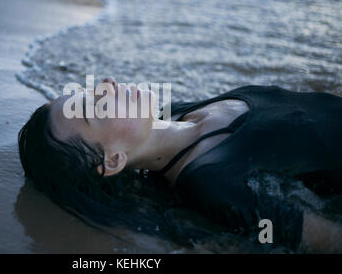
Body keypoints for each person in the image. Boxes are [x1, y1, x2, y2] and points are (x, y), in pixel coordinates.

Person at [18, 76, 342, 252]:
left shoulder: (179, 110)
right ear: (114, 160)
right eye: (96, 108)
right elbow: (327, 238)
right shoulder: (211, 181)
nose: (106, 85)